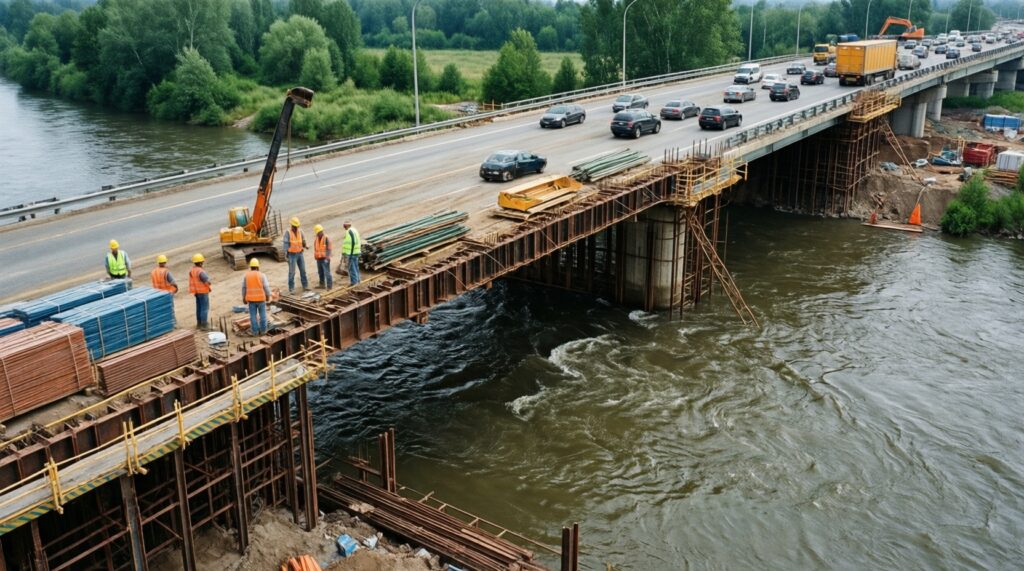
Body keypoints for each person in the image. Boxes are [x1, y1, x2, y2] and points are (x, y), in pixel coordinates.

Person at [241, 258, 271, 336]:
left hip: (251, 301)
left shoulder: (246, 276)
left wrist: (243, 298)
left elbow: (244, 288)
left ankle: (255, 332)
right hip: (261, 300)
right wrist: (268, 296)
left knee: (253, 317)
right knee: (263, 316)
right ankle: (263, 331)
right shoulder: (262, 275)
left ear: (251, 267)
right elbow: (266, 287)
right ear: (258, 267)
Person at [283, 217, 309, 293]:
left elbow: (303, 240)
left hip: (300, 253)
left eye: (297, 226)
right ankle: (291, 288)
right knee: (292, 272)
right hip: (292, 255)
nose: (296, 228)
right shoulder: (287, 232)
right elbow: (285, 245)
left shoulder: (300, 231)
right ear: (291, 225)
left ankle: (305, 286)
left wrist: (305, 245)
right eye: (294, 226)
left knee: (303, 270)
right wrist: (286, 255)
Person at [188, 253, 212, 329]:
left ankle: (199, 323)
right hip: (203, 292)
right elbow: (206, 281)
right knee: (204, 308)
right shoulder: (200, 271)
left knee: (199, 308)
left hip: (196, 292)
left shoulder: (192, 270)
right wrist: (209, 282)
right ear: (201, 262)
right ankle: (204, 325)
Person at [313, 224, 333, 289]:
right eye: (317, 233)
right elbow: (316, 249)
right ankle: (322, 284)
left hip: (325, 259)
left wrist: (327, 258)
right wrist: (316, 257)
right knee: (320, 272)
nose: (317, 234)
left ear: (321, 231)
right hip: (319, 258)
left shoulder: (326, 238)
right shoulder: (316, 239)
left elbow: (329, 249)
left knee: (327, 272)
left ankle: (329, 286)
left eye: (318, 232)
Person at [341, 221, 361, 286]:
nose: (344, 228)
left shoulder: (349, 231)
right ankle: (358, 281)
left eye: (344, 226)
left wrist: (348, 254)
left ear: (347, 226)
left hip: (351, 253)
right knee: (356, 267)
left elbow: (351, 243)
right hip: (356, 252)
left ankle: (354, 283)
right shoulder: (354, 230)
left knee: (352, 268)